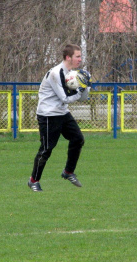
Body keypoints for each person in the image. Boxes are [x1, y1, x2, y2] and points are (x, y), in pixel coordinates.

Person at [28, 44, 91, 192]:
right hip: (48, 115)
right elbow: (65, 98)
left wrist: (87, 86)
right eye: (78, 56)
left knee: (78, 139)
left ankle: (68, 172)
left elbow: (82, 99)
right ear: (68, 57)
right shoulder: (56, 73)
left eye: (80, 56)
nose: (80, 59)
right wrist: (80, 89)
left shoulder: (72, 73)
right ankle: (33, 181)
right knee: (46, 149)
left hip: (62, 113)